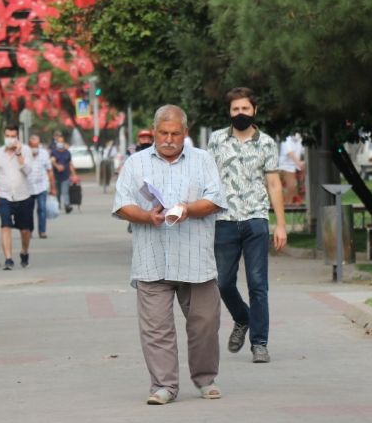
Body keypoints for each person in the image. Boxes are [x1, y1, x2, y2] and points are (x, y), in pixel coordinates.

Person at [112, 105, 226, 405]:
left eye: (175, 133)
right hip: (152, 259)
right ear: (154, 132)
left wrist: (187, 209)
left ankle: (205, 378)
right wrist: (146, 216)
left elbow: (215, 200)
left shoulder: (203, 160)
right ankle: (164, 385)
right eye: (163, 133)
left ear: (185, 133)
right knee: (156, 328)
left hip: (196, 260)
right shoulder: (135, 163)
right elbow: (122, 204)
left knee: (205, 323)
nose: (169, 139)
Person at [207, 87, 287, 364]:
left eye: (245, 109)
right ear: (229, 112)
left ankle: (260, 343)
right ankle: (242, 318)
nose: (240, 114)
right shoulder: (216, 140)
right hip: (223, 221)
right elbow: (206, 178)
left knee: (257, 284)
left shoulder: (266, 143)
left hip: (255, 219)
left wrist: (281, 225)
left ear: (254, 110)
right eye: (235, 109)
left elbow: (274, 183)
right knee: (223, 282)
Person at [0, 125, 34, 270]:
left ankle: (24, 251)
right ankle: (8, 259)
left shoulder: (26, 150)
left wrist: (18, 154)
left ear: (17, 138)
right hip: (4, 196)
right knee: (5, 226)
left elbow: (28, 171)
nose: (10, 139)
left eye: (12, 136)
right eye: (7, 136)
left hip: (24, 195)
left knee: (25, 230)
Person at [28, 134, 56, 239]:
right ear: (29, 145)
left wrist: (53, 187)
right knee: (28, 211)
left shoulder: (44, 153)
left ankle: (42, 231)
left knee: (42, 209)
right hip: (28, 187)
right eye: (32, 145)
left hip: (42, 186)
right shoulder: (24, 153)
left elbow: (50, 170)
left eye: (36, 145)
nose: (35, 148)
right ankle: (29, 230)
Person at [50, 133, 78, 213]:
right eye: (59, 142)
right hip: (56, 175)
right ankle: (58, 205)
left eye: (62, 142)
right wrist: (57, 166)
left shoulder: (67, 153)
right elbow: (52, 161)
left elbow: (70, 164)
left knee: (65, 191)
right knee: (58, 192)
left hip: (66, 175)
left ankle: (67, 205)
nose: (60, 143)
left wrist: (74, 174)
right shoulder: (54, 152)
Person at [278, 133, 305, 205]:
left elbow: (304, 151)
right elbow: (290, 153)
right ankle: (283, 204)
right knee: (289, 187)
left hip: (293, 168)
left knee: (292, 188)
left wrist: (302, 163)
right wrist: (299, 163)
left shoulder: (300, 140)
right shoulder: (287, 139)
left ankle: (288, 205)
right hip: (283, 167)